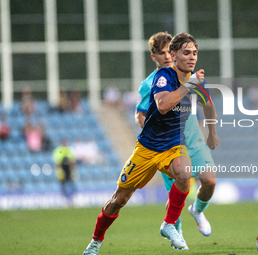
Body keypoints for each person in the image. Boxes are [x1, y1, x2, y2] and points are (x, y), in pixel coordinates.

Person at [83, 32, 218, 254]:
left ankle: (169, 225)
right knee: (119, 200)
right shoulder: (163, 76)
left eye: (194, 53)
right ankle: (95, 241)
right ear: (174, 56)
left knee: (185, 173)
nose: (192, 57)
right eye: (186, 53)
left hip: (175, 144)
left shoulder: (196, 79)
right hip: (148, 147)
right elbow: (163, 105)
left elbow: (208, 103)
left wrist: (212, 131)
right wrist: (190, 85)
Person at [135, 32, 217, 250]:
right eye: (161, 53)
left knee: (209, 182)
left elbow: (205, 102)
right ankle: (176, 231)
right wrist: (154, 132)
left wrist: (210, 131)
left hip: (192, 136)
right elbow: (140, 114)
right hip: (167, 143)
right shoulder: (151, 83)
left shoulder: (188, 75)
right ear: (154, 56)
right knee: (177, 188)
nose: (166, 57)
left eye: (168, 51)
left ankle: (197, 210)